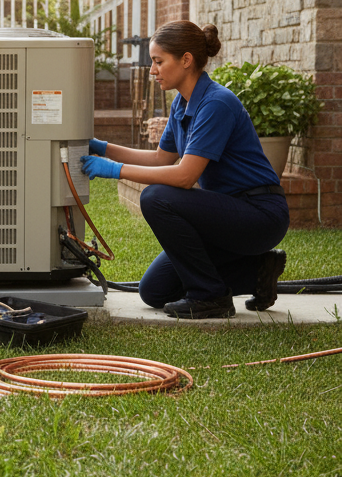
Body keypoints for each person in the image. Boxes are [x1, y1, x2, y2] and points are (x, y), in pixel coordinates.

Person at [80, 20, 289, 319]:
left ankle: (211, 296)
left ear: (186, 60)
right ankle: (257, 271)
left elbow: (183, 176)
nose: (153, 70)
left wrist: (114, 170)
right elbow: (160, 159)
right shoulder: (182, 103)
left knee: (156, 198)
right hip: (225, 215)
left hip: (258, 214)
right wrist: (103, 147)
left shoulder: (216, 103)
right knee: (154, 291)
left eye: (158, 61)